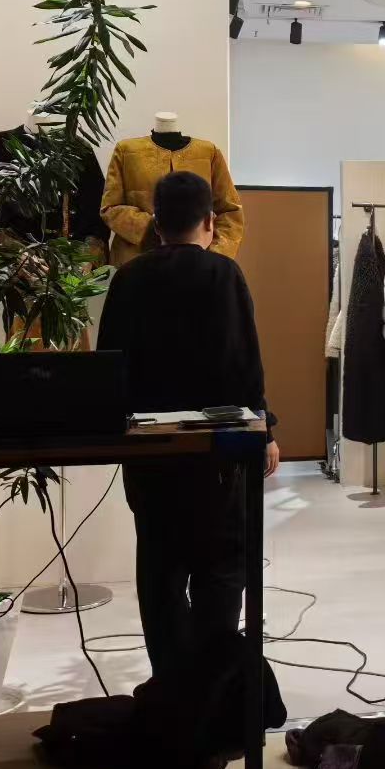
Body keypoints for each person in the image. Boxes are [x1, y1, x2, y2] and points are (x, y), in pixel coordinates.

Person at [97, 170, 279, 680]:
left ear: (156, 224)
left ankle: (170, 684)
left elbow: (108, 366)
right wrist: (265, 430)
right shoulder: (225, 275)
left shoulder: (129, 279)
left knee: (160, 570)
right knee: (220, 568)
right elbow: (246, 365)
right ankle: (211, 684)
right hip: (215, 453)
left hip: (149, 453)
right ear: (209, 222)